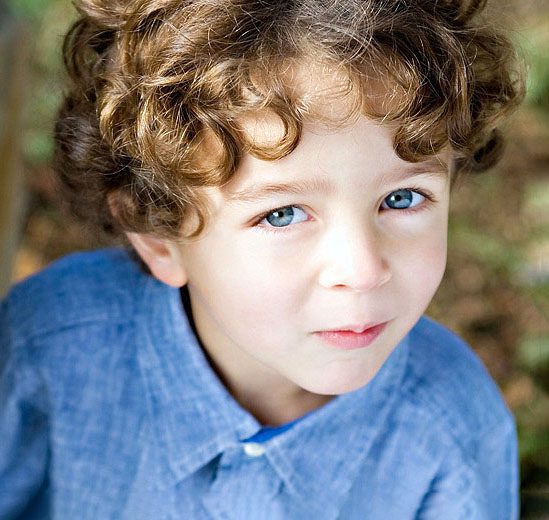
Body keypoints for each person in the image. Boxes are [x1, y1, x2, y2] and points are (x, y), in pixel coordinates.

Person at [0, 0, 524, 518]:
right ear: (159, 238)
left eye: (403, 199)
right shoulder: (47, 344)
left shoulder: (455, 429)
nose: (362, 270)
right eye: (282, 214)